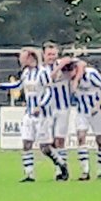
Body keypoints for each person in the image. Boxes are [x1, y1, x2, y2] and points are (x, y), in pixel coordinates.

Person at [0, 48, 68, 182]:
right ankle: (29, 174)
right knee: (26, 143)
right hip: (29, 114)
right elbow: (18, 85)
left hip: (42, 115)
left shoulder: (43, 73)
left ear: (30, 58)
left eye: (22, 56)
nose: (20, 59)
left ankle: (61, 164)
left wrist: (40, 105)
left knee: (45, 148)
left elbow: (49, 92)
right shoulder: (26, 73)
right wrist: (0, 85)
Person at [54, 57, 101, 181]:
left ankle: (100, 169)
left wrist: (97, 105)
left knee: (99, 140)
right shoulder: (68, 79)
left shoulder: (91, 74)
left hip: (97, 111)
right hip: (81, 111)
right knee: (81, 137)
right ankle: (85, 171)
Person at [41, 42, 73, 177]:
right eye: (49, 54)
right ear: (43, 55)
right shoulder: (41, 69)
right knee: (46, 143)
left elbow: (76, 63)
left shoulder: (63, 64)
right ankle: (60, 164)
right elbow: (50, 78)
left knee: (60, 139)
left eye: (54, 54)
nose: (52, 57)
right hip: (47, 109)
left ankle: (60, 170)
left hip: (63, 108)